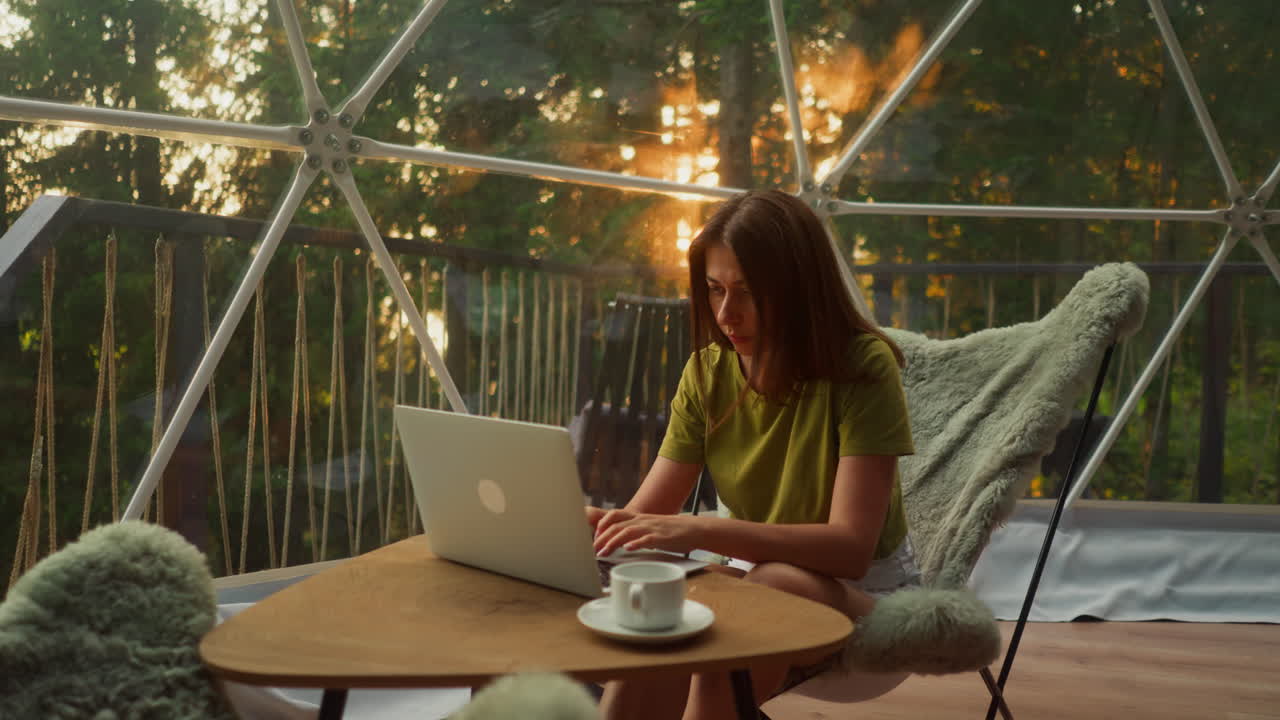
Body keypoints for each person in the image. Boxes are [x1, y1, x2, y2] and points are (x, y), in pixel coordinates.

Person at [585, 189, 920, 720]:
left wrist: (700, 531)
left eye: (748, 292)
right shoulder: (707, 374)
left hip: (864, 597)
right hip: (752, 581)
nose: (726, 314)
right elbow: (647, 519)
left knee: (759, 592)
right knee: (674, 615)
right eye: (714, 290)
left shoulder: (863, 367)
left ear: (797, 288)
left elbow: (850, 548)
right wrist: (592, 527)